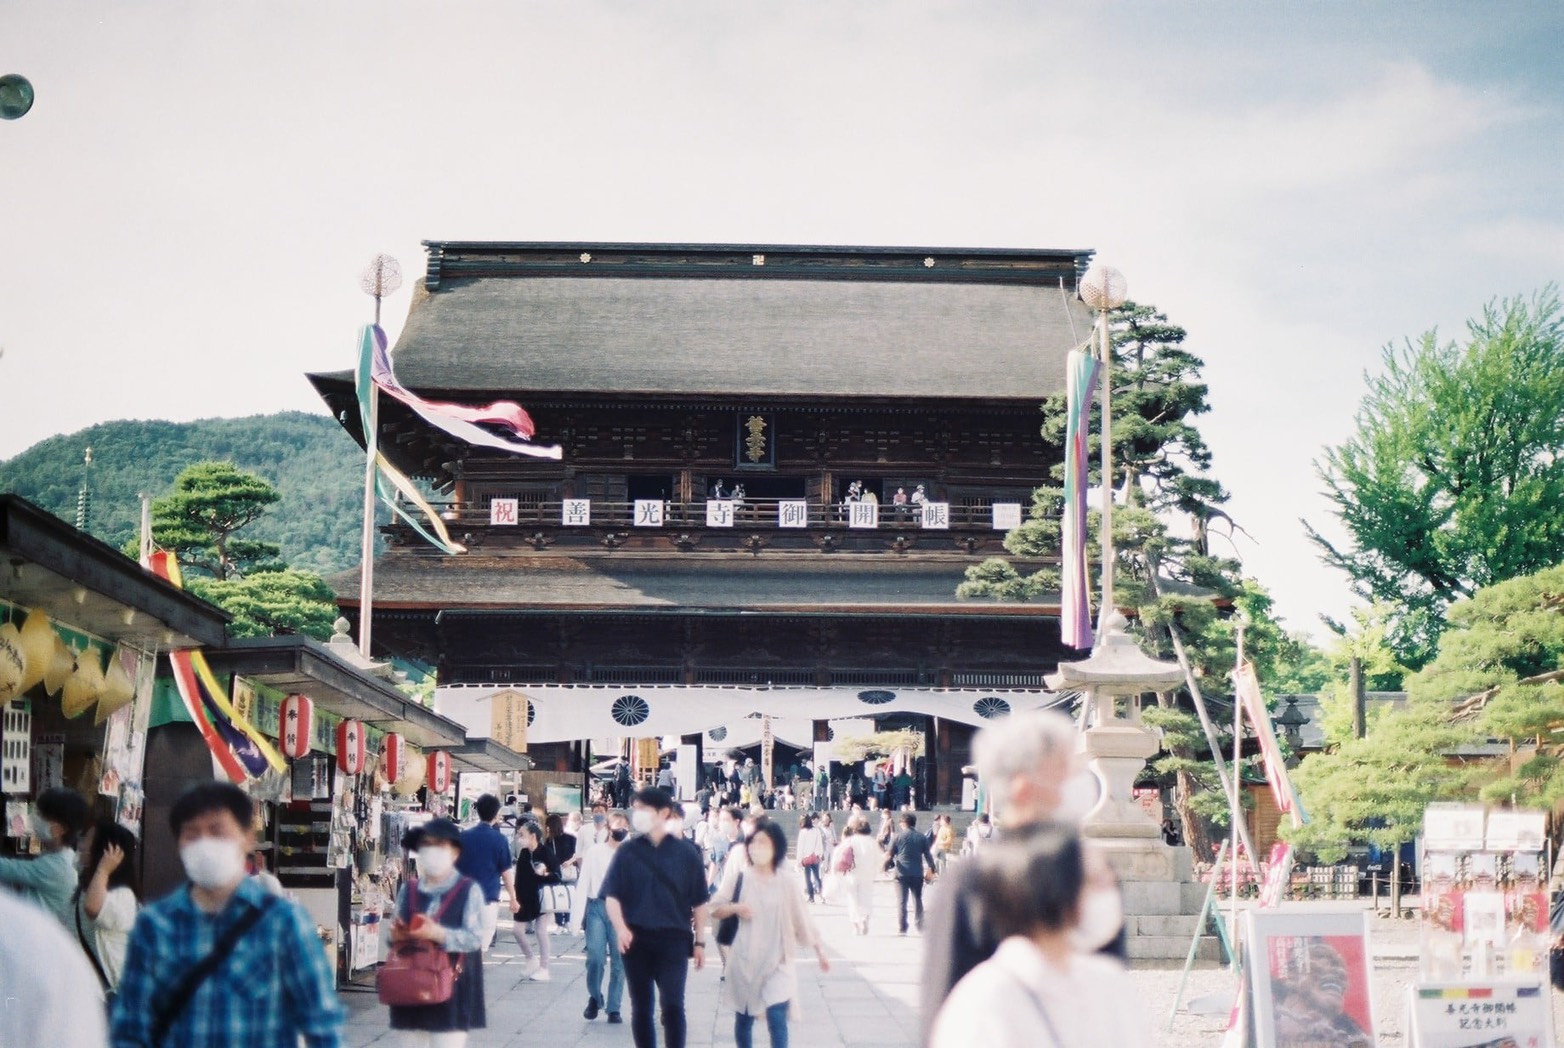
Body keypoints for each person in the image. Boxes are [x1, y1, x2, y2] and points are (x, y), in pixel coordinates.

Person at [920, 708, 1121, 1044]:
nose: (1079, 778)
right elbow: (946, 997)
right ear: (1024, 783)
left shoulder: (1091, 868)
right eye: (1066, 769)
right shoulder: (974, 881)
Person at [111, 780, 342, 1047]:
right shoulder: (154, 927)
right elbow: (131, 1028)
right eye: (192, 833)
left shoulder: (284, 923)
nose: (205, 843)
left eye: (217, 831)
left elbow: (321, 1023)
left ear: (247, 838)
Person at [928, 825, 1147, 1048]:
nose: (1110, 896)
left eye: (1113, 882)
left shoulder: (1109, 981)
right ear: (1060, 892)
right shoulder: (985, 999)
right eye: (1099, 882)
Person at [601, 786, 710, 1048]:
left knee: (673, 1004)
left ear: (663, 813)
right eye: (635, 808)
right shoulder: (627, 852)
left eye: (642, 809)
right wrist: (620, 928)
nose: (636, 814)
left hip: (673, 939)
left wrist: (700, 942)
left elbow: (700, 901)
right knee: (641, 1007)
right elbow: (612, 895)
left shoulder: (686, 853)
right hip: (636, 940)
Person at [709, 820, 829, 1048]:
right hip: (745, 959)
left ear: (776, 847)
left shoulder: (786, 881)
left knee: (776, 1017)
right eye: (754, 843)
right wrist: (735, 908)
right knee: (743, 1020)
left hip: (778, 960)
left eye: (764, 843)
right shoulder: (741, 877)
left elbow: (803, 918)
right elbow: (715, 907)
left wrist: (819, 951)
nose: (757, 848)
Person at [386, 818, 487, 1048]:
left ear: (454, 853)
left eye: (440, 845)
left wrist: (438, 934)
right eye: (427, 845)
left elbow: (474, 938)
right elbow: (393, 933)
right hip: (410, 989)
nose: (433, 851)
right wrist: (396, 936)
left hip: (451, 988)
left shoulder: (469, 890)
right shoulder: (408, 889)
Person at [0, 887, 109, 1047]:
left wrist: (103, 870)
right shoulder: (45, 948)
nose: (78, 861)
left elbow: (92, 908)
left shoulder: (120, 898)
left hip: (90, 981)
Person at [570, 811, 629, 1024]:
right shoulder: (595, 852)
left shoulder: (630, 855)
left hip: (622, 910)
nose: (620, 828)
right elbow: (583, 882)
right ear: (608, 826)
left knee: (619, 961)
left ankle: (614, 1007)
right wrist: (575, 919)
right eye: (617, 824)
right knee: (595, 957)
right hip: (597, 906)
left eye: (624, 825)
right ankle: (595, 996)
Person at [0, 785, 88, 929]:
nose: (36, 818)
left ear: (60, 829)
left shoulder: (56, 866)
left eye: (42, 816)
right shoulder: (61, 856)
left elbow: (9, 869)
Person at [75, 819, 141, 1000]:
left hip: (112, 997)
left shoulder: (123, 895)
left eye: (88, 839)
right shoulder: (83, 890)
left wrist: (103, 870)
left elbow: (93, 908)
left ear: (105, 851)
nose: (81, 844)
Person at [1270, 941, 1372, 1048]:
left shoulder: (1355, 1037)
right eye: (1321, 962)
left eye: (1336, 965)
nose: (1337, 971)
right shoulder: (1267, 1024)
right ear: (1292, 974)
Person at [456, 794, 516, 952]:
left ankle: (461, 972)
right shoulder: (500, 840)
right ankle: (475, 973)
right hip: (488, 898)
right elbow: (506, 872)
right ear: (496, 815)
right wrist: (513, 898)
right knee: (482, 945)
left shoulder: (462, 837)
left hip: (463, 898)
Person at [509, 820, 558, 980]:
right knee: (517, 930)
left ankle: (544, 968)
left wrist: (543, 874)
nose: (519, 837)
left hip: (542, 898)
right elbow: (519, 878)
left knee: (541, 931)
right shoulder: (524, 853)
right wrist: (514, 898)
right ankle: (530, 959)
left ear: (533, 836)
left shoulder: (546, 852)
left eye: (522, 834)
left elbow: (557, 877)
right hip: (524, 898)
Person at [887, 814, 937, 935]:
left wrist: (887, 865)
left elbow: (889, 854)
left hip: (901, 873)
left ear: (903, 823)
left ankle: (902, 927)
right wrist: (932, 869)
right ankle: (920, 925)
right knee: (917, 899)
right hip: (917, 872)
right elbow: (928, 855)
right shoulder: (922, 837)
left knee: (901, 901)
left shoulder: (897, 837)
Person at [837, 822, 882, 934]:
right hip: (867, 874)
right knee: (866, 898)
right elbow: (879, 859)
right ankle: (865, 919)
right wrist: (876, 871)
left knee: (852, 900)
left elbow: (839, 854)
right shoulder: (872, 842)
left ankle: (855, 926)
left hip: (852, 874)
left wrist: (835, 870)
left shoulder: (850, 841)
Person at [545, 813, 579, 932]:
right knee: (567, 896)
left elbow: (577, 853)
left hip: (559, 870)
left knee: (559, 896)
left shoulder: (550, 841)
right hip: (564, 870)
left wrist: (567, 862)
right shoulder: (569, 838)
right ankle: (566, 922)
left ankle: (562, 922)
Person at [795, 814, 825, 904]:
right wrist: (819, 854)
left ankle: (811, 897)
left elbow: (800, 847)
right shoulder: (816, 830)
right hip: (814, 856)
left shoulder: (803, 832)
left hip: (806, 857)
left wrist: (798, 860)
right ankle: (822, 895)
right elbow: (819, 843)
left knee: (807, 878)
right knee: (817, 877)